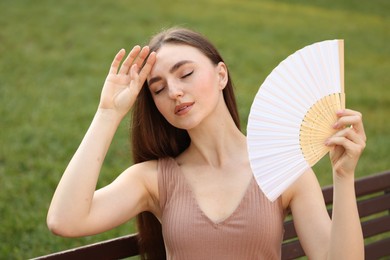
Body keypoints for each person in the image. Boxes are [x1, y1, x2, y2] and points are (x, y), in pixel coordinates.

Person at [47, 27, 366, 259]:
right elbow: (65, 220)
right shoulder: (153, 180)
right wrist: (108, 113)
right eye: (158, 89)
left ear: (221, 75)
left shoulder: (283, 169)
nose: (173, 91)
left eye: (185, 73)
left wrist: (343, 176)